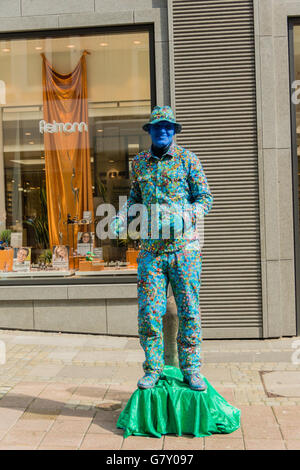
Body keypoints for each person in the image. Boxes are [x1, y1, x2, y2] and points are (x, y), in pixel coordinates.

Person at [110, 106, 213, 391]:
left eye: (168, 127)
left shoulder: (188, 159)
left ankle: (191, 369)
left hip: (185, 251)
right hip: (151, 252)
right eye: (158, 127)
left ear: (174, 131)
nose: (163, 131)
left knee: (189, 311)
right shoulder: (139, 163)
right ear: (150, 131)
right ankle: (153, 368)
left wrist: (187, 216)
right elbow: (135, 199)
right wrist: (122, 216)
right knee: (149, 313)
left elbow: (205, 199)